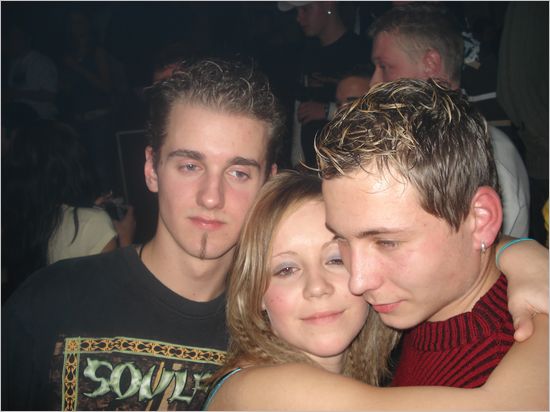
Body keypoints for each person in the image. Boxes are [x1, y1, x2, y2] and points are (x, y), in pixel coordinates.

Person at [205, 80, 548, 411]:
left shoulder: (415, 325)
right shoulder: (260, 391)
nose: (359, 280)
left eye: (386, 242)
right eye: (344, 242)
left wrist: (515, 252)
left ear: (482, 220)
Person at [1, 58, 285, 411]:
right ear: (152, 169)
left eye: (239, 173)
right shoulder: (49, 301)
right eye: (190, 166)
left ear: (268, 185)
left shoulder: (276, 336)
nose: (211, 197)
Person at [367, 4, 530, 239]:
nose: (374, 82)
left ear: (431, 64)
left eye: (385, 67)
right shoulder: (406, 140)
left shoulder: (486, 151)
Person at [1, 119, 135, 302]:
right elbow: (119, 297)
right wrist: (126, 240)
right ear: (72, 165)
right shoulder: (91, 223)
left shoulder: (14, 221)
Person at [278, 1, 369, 168]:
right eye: (297, 11)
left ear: (328, 4)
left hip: (347, 164)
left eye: (305, 9)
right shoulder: (306, 52)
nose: (299, 18)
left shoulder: (361, 52)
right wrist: (298, 160)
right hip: (312, 167)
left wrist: (328, 111)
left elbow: (370, 114)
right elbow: (300, 110)